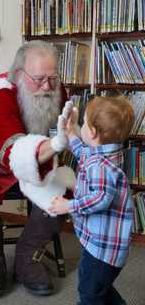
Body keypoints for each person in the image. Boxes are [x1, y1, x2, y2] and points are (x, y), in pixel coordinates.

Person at [0, 40, 75, 297]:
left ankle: (27, 258)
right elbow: (14, 151)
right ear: (20, 74)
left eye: (53, 78)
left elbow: (66, 131)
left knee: (66, 185)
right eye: (39, 78)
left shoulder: (55, 89)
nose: (47, 87)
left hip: (39, 158)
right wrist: (56, 143)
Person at [49, 96, 135, 305]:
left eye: (84, 124)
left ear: (93, 132)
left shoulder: (100, 167)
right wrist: (71, 134)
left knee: (89, 291)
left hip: (102, 251)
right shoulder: (108, 154)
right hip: (105, 246)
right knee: (99, 289)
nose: (82, 127)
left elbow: (100, 198)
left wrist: (67, 206)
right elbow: (84, 154)